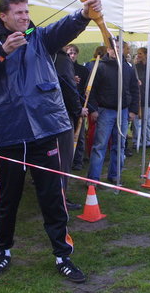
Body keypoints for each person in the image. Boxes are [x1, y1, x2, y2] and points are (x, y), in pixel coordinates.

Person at [0, 0, 103, 283]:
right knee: (8, 198)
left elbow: (65, 27)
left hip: (44, 128)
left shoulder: (38, 37)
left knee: (53, 195)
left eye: (26, 12)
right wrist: (2, 51)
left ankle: (63, 255)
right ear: (3, 16)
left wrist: (84, 14)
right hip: (10, 132)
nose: (25, 17)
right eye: (18, 13)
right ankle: (3, 252)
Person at [86, 41, 139, 186]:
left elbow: (134, 89)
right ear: (108, 49)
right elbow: (91, 90)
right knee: (100, 145)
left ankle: (115, 175)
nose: (116, 50)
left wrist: (134, 110)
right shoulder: (100, 66)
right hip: (105, 111)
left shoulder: (128, 67)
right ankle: (93, 179)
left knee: (120, 145)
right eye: (113, 47)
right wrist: (93, 109)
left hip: (123, 111)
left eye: (119, 48)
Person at [52, 48, 86, 211]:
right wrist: (78, 109)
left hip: (45, 115)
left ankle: (54, 196)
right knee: (63, 159)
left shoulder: (47, 55)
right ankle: (60, 198)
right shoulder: (60, 58)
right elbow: (68, 88)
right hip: (60, 116)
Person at [65, 44, 90, 172]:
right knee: (67, 136)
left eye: (74, 53)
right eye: (69, 53)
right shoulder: (63, 68)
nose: (72, 55)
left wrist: (84, 105)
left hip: (80, 105)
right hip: (66, 107)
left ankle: (78, 161)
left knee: (79, 135)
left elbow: (87, 89)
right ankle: (67, 160)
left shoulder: (83, 70)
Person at [132, 47, 150, 149]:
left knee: (147, 121)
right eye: (138, 53)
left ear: (146, 54)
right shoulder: (134, 67)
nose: (139, 55)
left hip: (148, 99)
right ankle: (136, 140)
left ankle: (146, 140)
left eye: (141, 53)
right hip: (137, 99)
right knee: (136, 122)